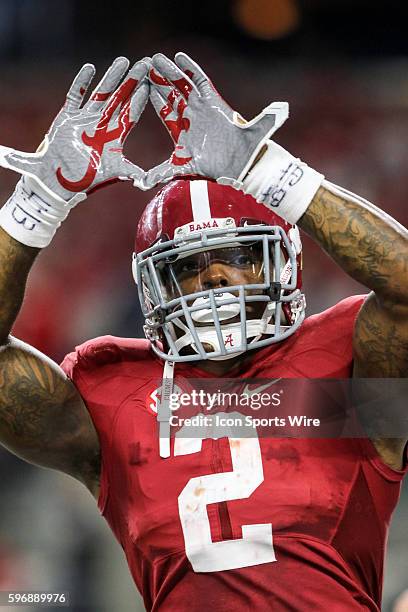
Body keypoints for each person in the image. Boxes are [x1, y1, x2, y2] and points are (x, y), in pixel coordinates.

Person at [0, 52, 406, 611]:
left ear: (283, 262)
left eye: (237, 255)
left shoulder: (343, 366)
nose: (214, 276)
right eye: (186, 267)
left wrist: (265, 169)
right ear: (151, 286)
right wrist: (37, 203)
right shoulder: (117, 393)